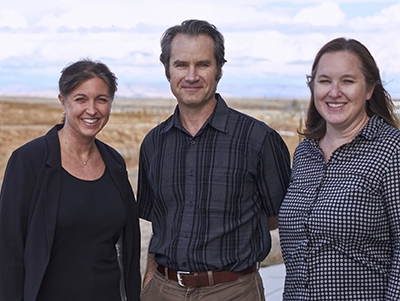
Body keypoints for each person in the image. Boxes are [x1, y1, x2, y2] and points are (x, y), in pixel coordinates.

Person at [137, 19, 291, 301]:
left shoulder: (258, 139)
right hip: (163, 289)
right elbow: (161, 220)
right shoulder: (153, 143)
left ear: (219, 68)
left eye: (203, 64)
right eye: (181, 64)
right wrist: (150, 278)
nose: (191, 76)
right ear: (167, 69)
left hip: (232, 291)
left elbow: (280, 215)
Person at [0, 59, 141, 301]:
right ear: (63, 103)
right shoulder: (28, 161)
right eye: (80, 99)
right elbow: (8, 251)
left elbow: (128, 246)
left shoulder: (114, 162)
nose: (92, 109)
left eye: (102, 99)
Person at [279, 37, 400, 300]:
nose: (334, 92)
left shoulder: (391, 150)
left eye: (347, 81)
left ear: (369, 89)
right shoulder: (304, 154)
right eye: (325, 81)